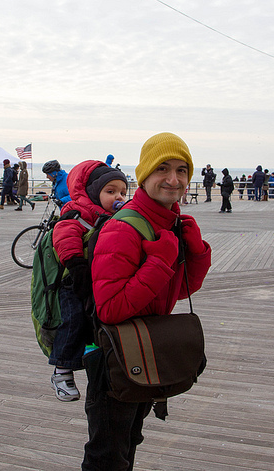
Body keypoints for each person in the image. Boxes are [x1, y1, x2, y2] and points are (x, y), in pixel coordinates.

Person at [83, 132, 212, 470]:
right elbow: (110, 308)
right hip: (115, 361)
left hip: (145, 351)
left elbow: (181, 290)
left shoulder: (168, 222)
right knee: (108, 454)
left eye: (182, 170)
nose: (174, 179)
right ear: (144, 175)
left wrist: (195, 252)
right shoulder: (123, 229)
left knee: (127, 443)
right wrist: (158, 262)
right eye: (163, 169)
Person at [49, 160, 129, 401]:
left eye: (123, 192)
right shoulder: (78, 213)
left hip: (101, 281)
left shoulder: (116, 216)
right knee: (73, 320)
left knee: (97, 323)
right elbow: (64, 238)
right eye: (111, 191)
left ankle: (94, 359)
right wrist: (76, 267)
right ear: (93, 191)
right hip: (75, 280)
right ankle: (62, 370)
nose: (119, 197)